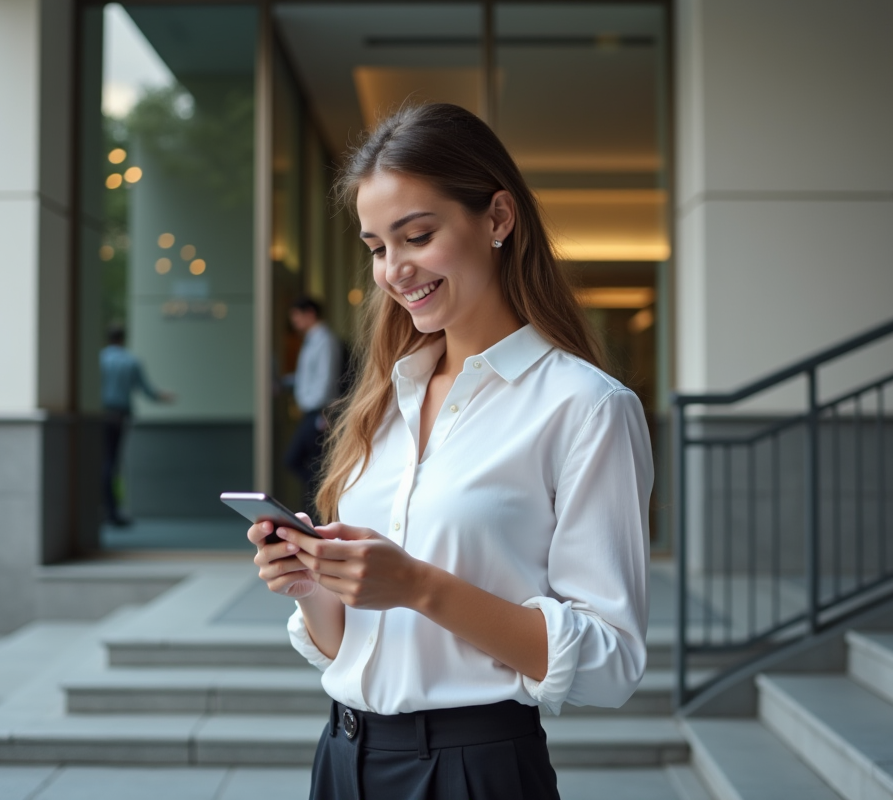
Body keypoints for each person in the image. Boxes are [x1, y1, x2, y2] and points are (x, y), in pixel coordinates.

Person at [247, 104, 652, 799]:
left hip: (474, 770)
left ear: (497, 218)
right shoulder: (381, 402)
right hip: (343, 759)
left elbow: (611, 664)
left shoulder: (585, 406)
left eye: (418, 235)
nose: (394, 270)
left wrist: (417, 586)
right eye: (377, 247)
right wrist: (314, 583)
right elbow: (351, 645)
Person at [100, 324, 174, 526]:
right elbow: (147, 391)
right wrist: (165, 397)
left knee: (101, 462)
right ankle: (112, 511)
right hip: (120, 416)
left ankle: (104, 508)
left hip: (99, 416)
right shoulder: (131, 361)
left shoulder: (99, 359)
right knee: (112, 462)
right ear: (123, 339)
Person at [283, 297, 343, 513]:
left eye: (297, 317)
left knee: (300, 460)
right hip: (312, 411)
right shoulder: (312, 340)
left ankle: (321, 505)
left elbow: (325, 381)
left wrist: (318, 408)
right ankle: (317, 506)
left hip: (320, 413)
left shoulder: (325, 340)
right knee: (312, 463)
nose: (295, 323)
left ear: (310, 313)